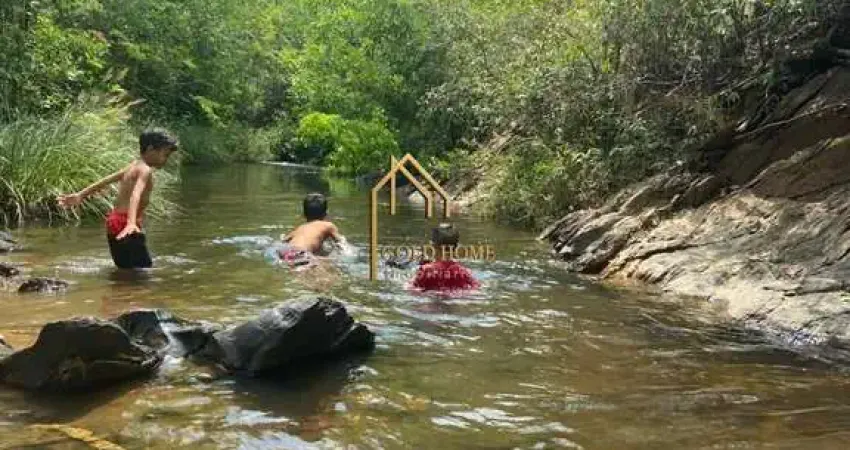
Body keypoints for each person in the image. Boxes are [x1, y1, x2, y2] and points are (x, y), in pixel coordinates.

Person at [57, 128, 178, 269]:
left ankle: (119, 289)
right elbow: (136, 195)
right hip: (126, 223)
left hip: (114, 221)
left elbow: (107, 180)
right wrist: (131, 223)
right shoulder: (145, 170)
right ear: (151, 149)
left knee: (125, 268)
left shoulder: (134, 166)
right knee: (143, 269)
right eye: (165, 154)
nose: (166, 160)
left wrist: (81, 195)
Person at [276, 193, 350, 269]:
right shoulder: (328, 225)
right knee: (329, 266)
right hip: (302, 253)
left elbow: (283, 240)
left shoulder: (299, 228)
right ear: (326, 213)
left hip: (284, 252)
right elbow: (341, 243)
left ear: (304, 214)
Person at [408, 222, 480, 293]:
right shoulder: (464, 272)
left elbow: (410, 288)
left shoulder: (426, 270)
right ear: (456, 247)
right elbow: (477, 288)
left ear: (432, 245)